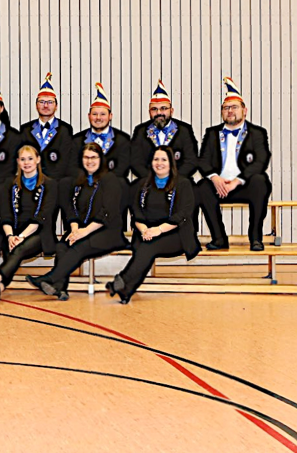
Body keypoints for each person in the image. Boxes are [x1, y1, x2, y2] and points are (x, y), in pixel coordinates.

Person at [26, 143, 125, 300]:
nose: (90, 161)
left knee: (80, 246)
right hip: (82, 230)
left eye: (93, 157)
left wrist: (83, 232)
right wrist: (74, 229)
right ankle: (60, 288)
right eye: (86, 157)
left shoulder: (110, 179)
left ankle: (50, 278)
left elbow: (107, 212)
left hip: (108, 232)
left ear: (101, 159)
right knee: (62, 245)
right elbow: (71, 209)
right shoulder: (79, 181)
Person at [106, 146, 200, 303]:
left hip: (175, 234)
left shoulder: (183, 183)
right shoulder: (142, 184)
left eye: (164, 159)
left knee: (148, 246)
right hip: (146, 232)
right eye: (156, 159)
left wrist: (159, 230)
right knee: (146, 247)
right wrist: (145, 230)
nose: (159, 163)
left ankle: (122, 280)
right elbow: (136, 211)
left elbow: (183, 214)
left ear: (171, 163)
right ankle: (126, 290)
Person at [195, 76, 272, 251]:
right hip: (219, 187)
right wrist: (215, 178)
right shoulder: (211, 133)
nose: (230, 111)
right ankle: (219, 238)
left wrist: (237, 181)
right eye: (226, 108)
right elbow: (203, 161)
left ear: (244, 110)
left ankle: (256, 238)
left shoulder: (257, 133)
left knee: (261, 181)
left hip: (244, 185)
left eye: (234, 107)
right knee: (201, 187)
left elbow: (261, 160)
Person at [0, 145, 58, 303]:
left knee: (18, 249)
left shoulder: (50, 184)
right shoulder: (9, 184)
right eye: (23, 159)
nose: (26, 163)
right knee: (8, 247)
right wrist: (10, 236)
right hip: (13, 232)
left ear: (38, 160)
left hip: (39, 233)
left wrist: (20, 237)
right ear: (18, 162)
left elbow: (41, 217)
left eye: (30, 159)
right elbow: (5, 214)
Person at [130, 79, 200, 181]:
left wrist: (172, 180)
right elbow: (135, 163)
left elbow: (191, 162)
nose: (159, 113)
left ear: (171, 111)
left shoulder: (184, 130)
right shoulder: (140, 131)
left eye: (163, 108)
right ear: (149, 112)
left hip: (179, 183)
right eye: (154, 109)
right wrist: (154, 181)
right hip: (148, 183)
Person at [19, 72, 77, 181]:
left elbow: (65, 162)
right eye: (42, 102)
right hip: (30, 181)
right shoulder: (25, 129)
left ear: (56, 106)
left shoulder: (65, 129)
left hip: (57, 182)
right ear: (36, 105)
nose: (45, 105)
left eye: (50, 102)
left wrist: (49, 182)